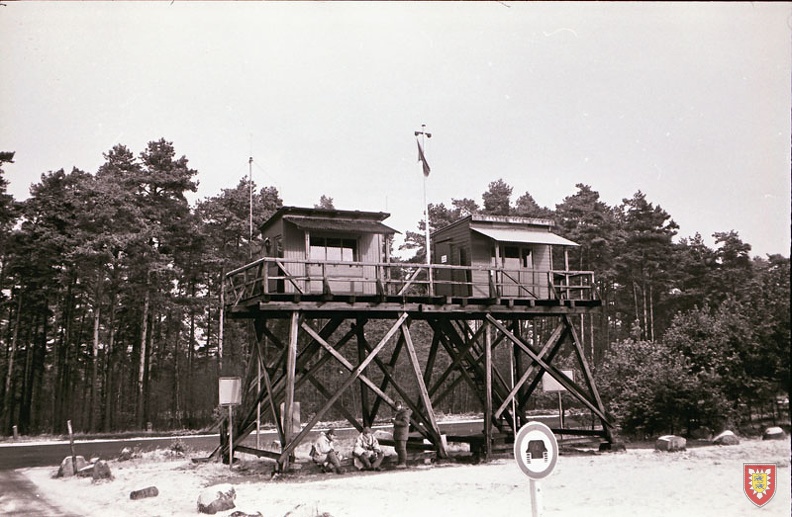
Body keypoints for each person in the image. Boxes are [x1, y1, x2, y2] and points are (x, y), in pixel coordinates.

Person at [391, 400, 412, 468]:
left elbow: (405, 423)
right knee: (397, 448)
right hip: (398, 433)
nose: (397, 407)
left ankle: (403, 463)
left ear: (401, 405)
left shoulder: (405, 413)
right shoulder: (399, 413)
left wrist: (395, 422)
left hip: (402, 434)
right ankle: (400, 462)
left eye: (398, 406)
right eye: (396, 406)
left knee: (402, 449)